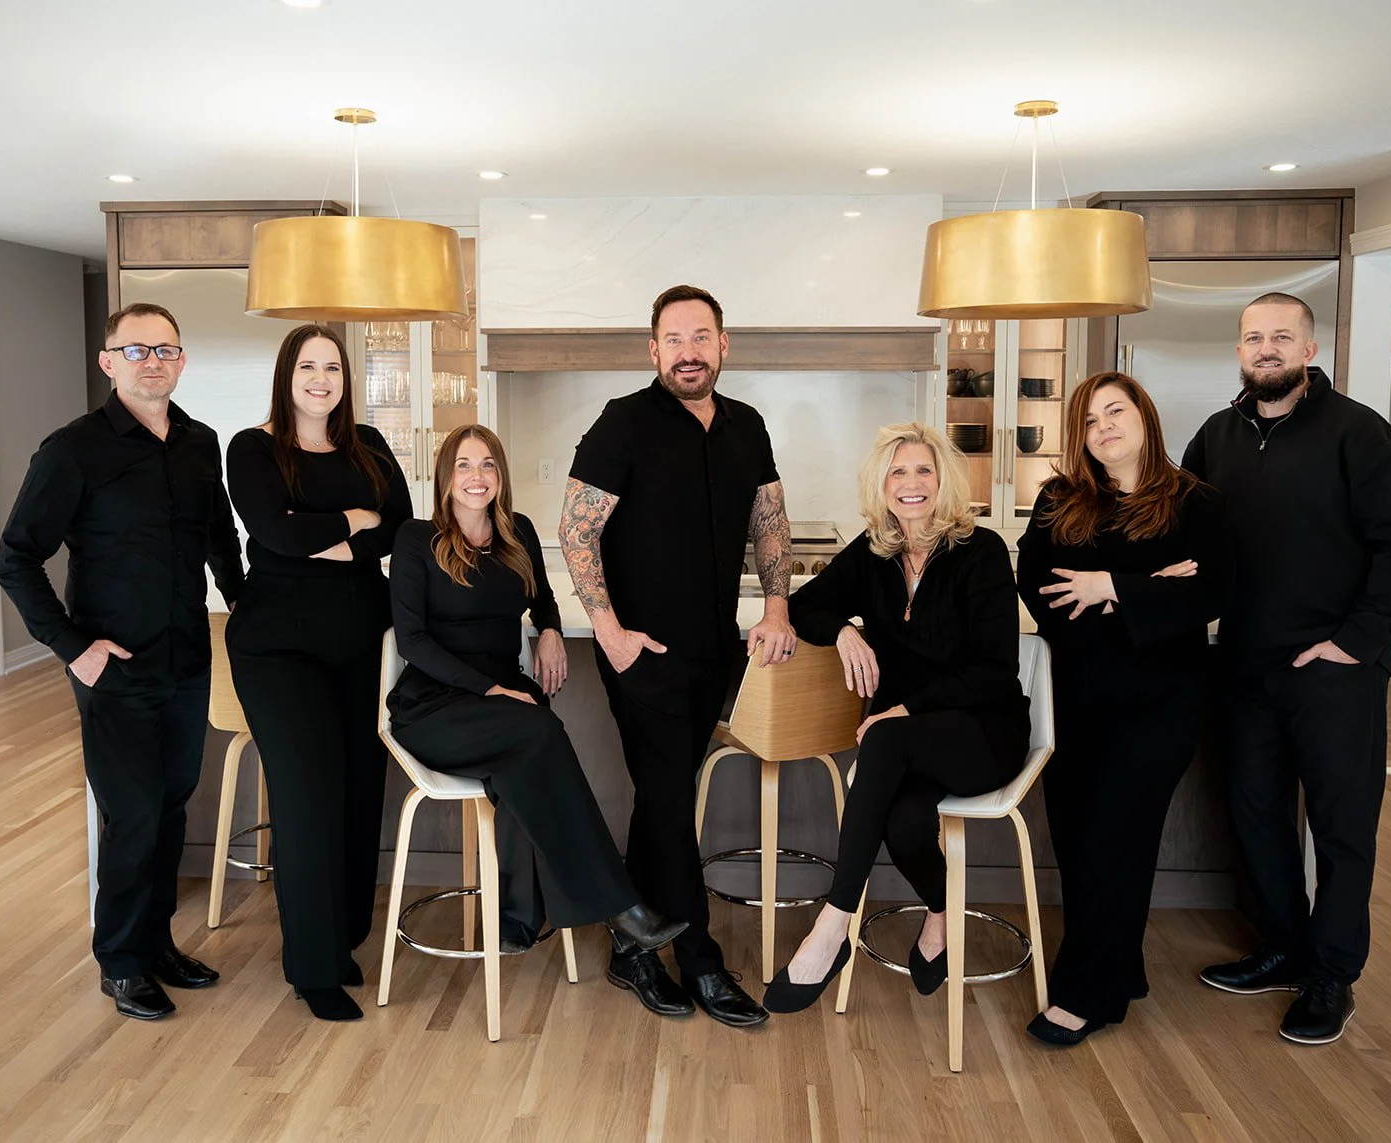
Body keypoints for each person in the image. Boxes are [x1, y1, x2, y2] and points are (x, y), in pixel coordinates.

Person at [1183, 292, 1391, 1046]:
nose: (1266, 348)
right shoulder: (1216, 437)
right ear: (1238, 351)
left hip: (1335, 669)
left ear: (1309, 348)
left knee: (1341, 825)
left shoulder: (1360, 435)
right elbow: (1182, 530)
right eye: (1254, 337)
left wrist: (1355, 640)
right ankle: (1283, 945)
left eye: (1281, 337)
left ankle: (1332, 973)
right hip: (1244, 665)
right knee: (1256, 812)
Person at [0, 302, 244, 1020]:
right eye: (137, 350)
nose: (154, 361)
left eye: (166, 348)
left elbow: (219, 540)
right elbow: (16, 559)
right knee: (131, 814)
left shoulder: (199, 442)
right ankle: (122, 961)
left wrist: (246, 605)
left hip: (187, 658)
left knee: (169, 808)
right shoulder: (72, 450)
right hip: (115, 666)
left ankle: (157, 942)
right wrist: (74, 648)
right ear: (109, 362)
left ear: (182, 360)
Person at [558, 284, 796, 1028]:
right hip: (643, 656)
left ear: (724, 346)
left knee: (664, 800)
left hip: (714, 651)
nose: (688, 350)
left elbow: (770, 520)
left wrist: (779, 601)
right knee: (667, 798)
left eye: (702, 336)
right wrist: (610, 630)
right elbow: (575, 530)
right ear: (652, 349)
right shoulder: (622, 423)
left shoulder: (746, 426)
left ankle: (631, 951)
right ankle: (700, 960)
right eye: (674, 337)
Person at [386, 424, 688, 966]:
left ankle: (517, 920)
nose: (476, 477)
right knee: (540, 731)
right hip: (435, 704)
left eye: (487, 466)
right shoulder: (416, 538)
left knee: (526, 755)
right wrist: (492, 687)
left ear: (500, 476)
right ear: (444, 477)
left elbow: (544, 599)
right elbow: (412, 641)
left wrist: (549, 629)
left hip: (504, 704)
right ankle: (622, 912)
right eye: (464, 465)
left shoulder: (517, 531)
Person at [763, 423, 1031, 1014]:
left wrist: (904, 708)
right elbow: (807, 606)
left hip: (984, 733)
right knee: (905, 824)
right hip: (912, 741)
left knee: (882, 738)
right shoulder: (875, 552)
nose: (911, 484)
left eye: (923, 471)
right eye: (897, 472)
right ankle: (940, 910)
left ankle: (832, 926)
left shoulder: (980, 551)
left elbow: (995, 671)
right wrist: (844, 632)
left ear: (944, 481)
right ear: (881, 485)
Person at [1015, 373, 1233, 1045]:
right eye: (1088, 419)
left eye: (1116, 410)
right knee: (1080, 841)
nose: (1103, 425)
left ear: (1145, 416)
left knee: (1117, 840)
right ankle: (1122, 965)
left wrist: (1111, 585)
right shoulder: (1060, 499)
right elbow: (1037, 585)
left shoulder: (1195, 503)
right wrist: (1146, 594)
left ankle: (1087, 992)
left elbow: (1211, 594)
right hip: (1077, 700)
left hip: (1158, 706)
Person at [224, 324, 411, 1022]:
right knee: (306, 795)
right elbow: (276, 534)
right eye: (308, 365)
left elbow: (401, 527)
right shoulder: (253, 447)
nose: (321, 378)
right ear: (287, 372)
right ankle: (311, 966)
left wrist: (323, 531)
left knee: (360, 791)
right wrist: (352, 527)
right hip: (278, 647)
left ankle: (343, 937)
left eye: (332, 366)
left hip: (361, 639)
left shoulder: (369, 444)